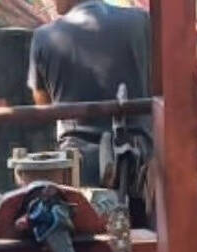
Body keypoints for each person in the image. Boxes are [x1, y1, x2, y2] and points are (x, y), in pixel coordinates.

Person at [28, 0, 151, 188]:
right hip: (142, 165)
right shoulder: (141, 21)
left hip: (79, 169)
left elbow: (42, 107)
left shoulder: (44, 37)